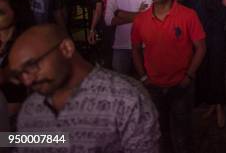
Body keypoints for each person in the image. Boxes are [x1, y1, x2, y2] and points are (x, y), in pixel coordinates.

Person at [9, 24, 160, 152]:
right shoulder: (31, 108)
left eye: (31, 66)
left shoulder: (126, 98)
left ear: (66, 48)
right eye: (19, 75)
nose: (27, 81)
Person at [132, 0, 206, 153]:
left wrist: (189, 75)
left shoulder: (188, 15)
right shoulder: (141, 19)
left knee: (184, 132)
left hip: (180, 85)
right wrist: (143, 77)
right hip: (153, 85)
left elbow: (201, 48)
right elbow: (135, 49)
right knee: (159, 131)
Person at [176, 0, 226, 129]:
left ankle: (219, 106)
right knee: (203, 71)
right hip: (198, 38)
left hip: (216, 36)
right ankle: (211, 104)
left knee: (217, 71)